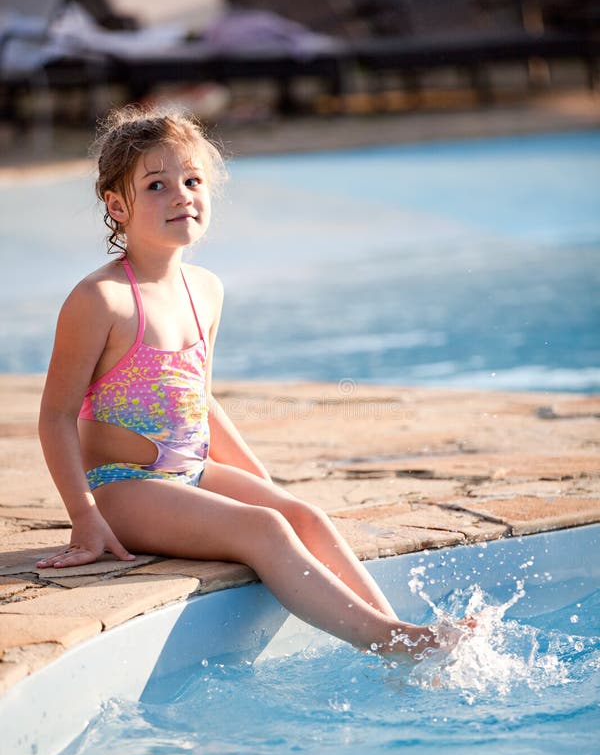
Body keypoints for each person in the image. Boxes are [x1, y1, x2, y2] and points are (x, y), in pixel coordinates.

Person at [37, 105, 466, 659]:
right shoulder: (103, 299)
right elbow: (55, 415)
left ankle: (394, 628)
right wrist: (86, 517)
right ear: (118, 206)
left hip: (190, 470)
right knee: (264, 529)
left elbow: (201, 398)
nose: (181, 195)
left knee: (300, 515)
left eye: (192, 181)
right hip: (126, 485)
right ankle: (391, 642)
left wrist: (262, 481)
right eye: (157, 185)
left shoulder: (205, 289)